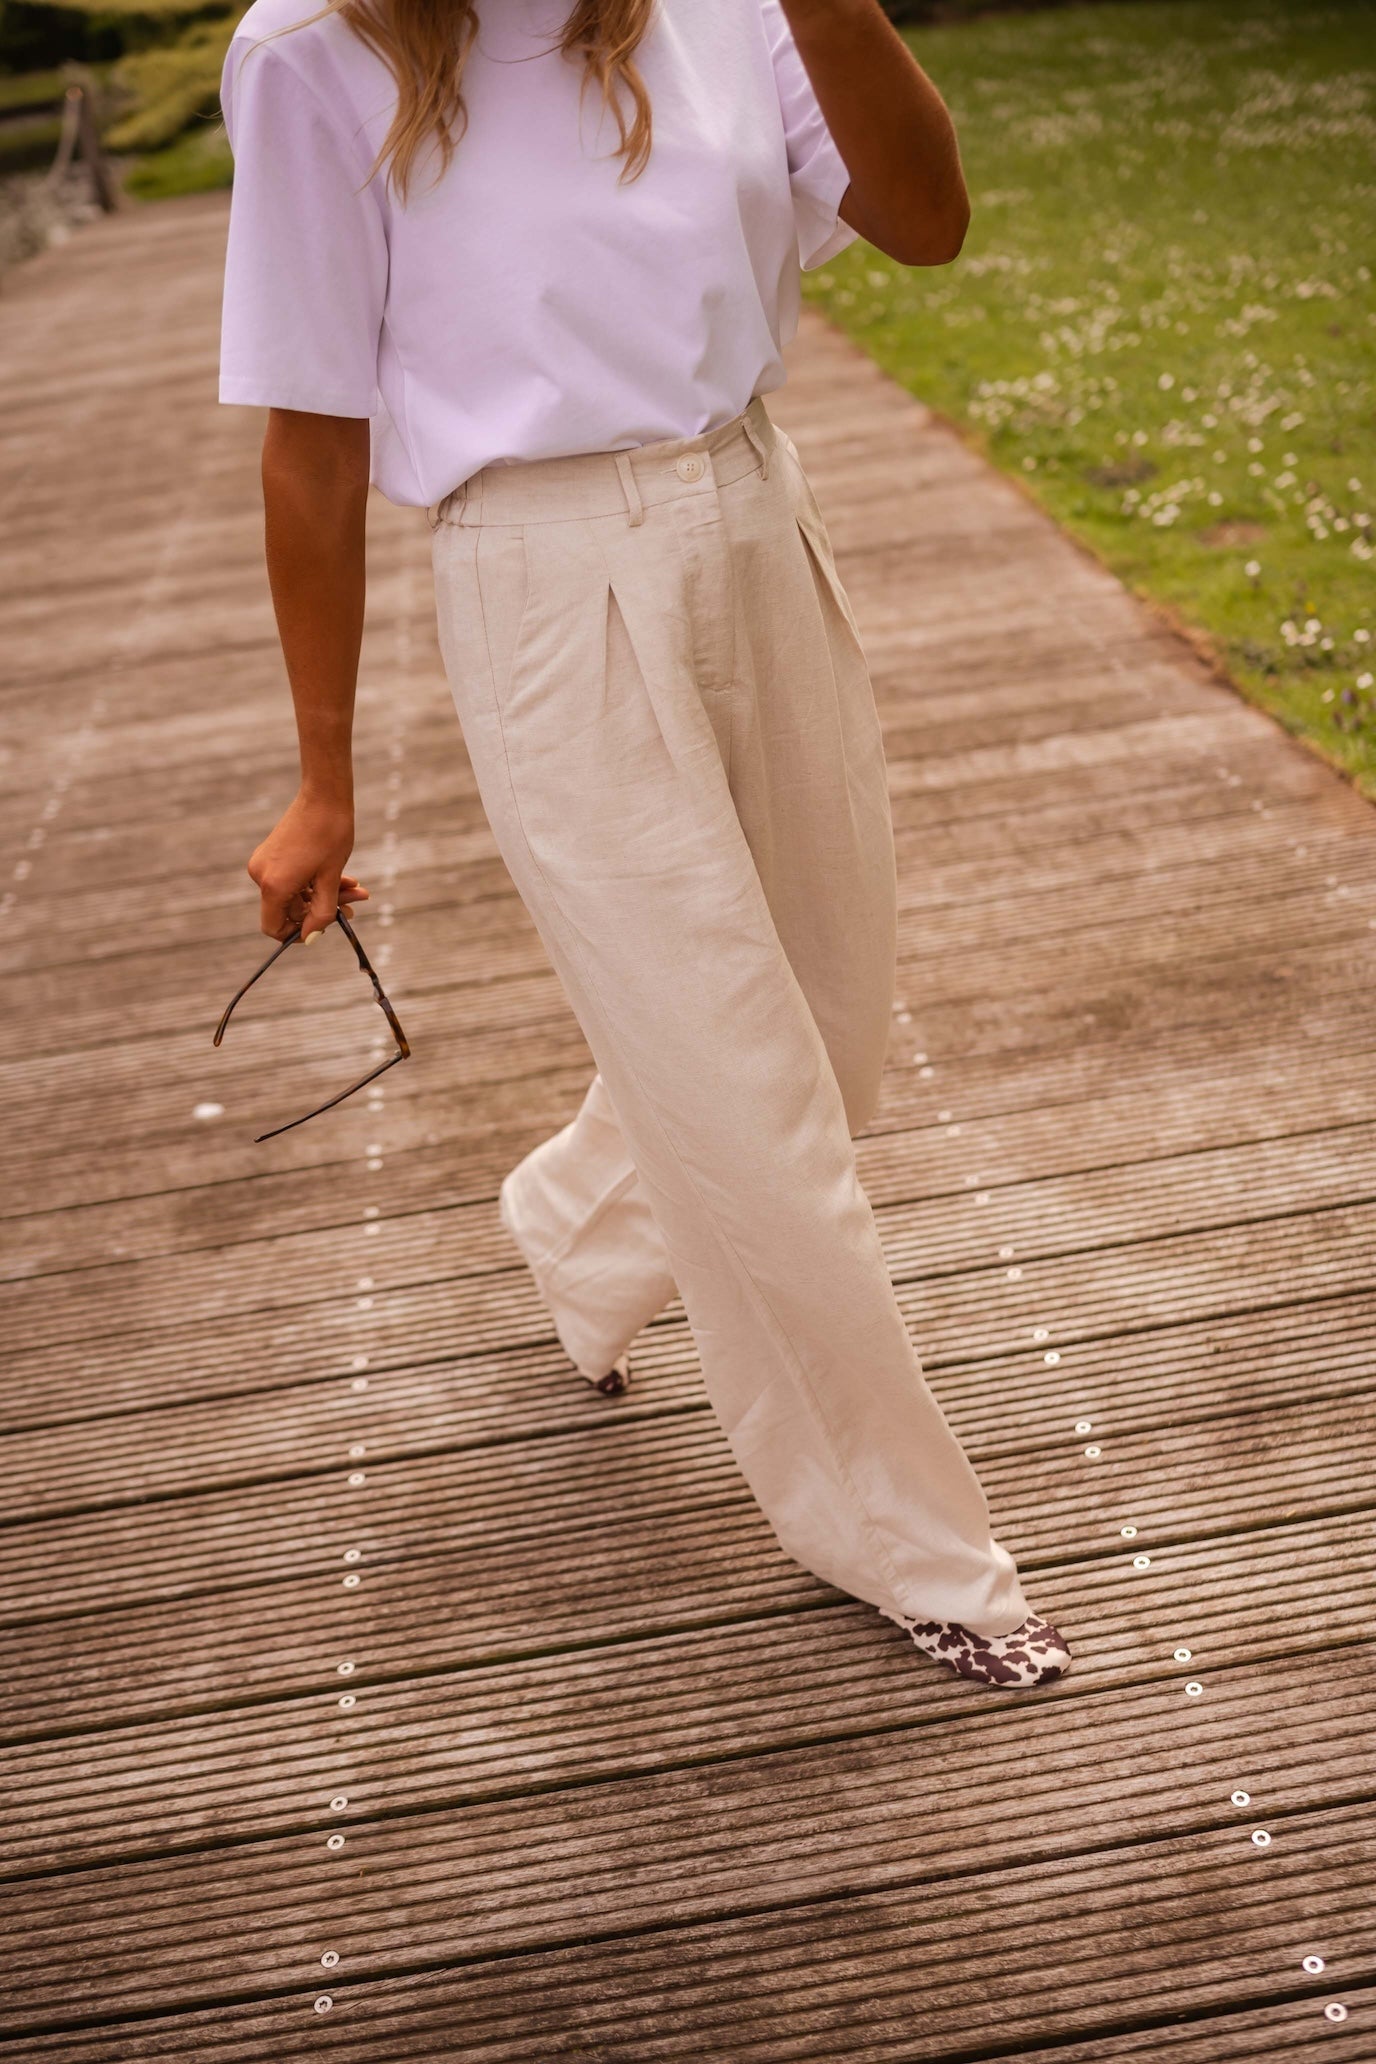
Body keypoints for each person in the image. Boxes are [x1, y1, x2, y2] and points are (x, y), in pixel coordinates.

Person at [216, 0, 1071, 1689]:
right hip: (542, 578)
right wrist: (325, 778)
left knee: (822, 1031)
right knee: (747, 1107)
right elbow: (309, 446)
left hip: (759, 509)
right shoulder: (312, 52)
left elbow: (930, 225)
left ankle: (581, 1222)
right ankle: (912, 1546)